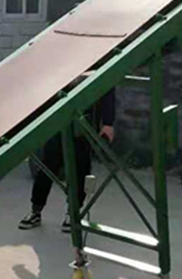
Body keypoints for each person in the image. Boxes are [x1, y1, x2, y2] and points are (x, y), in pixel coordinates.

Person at [18, 88, 116, 232]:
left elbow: (108, 90)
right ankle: (36, 210)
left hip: (84, 119)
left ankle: (73, 213)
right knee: (48, 164)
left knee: (80, 168)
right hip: (60, 119)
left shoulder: (96, 72)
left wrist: (108, 123)